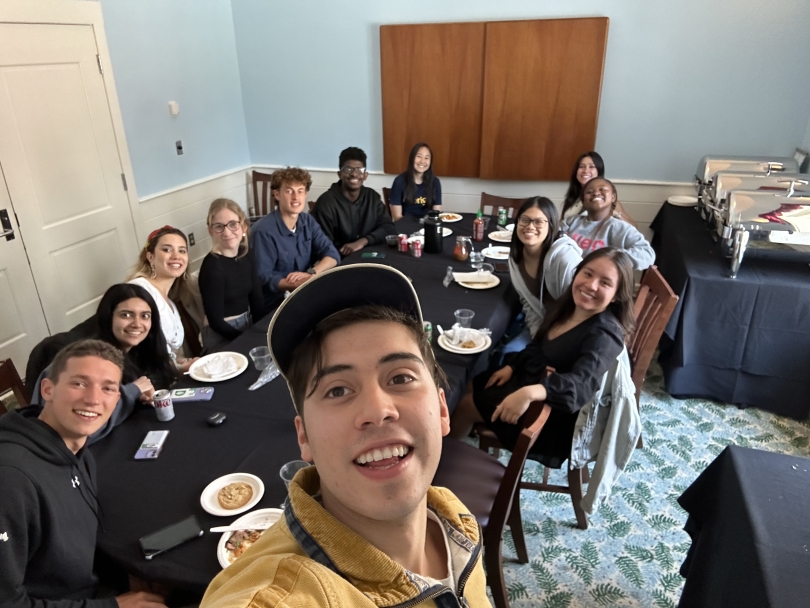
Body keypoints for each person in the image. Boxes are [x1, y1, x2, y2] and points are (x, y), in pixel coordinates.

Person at [201, 265, 489, 608]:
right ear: (303, 436)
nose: (376, 410)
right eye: (337, 390)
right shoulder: (277, 598)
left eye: (400, 378)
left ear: (442, 410)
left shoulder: (456, 519)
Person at [0, 340, 167, 608]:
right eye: (78, 383)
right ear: (47, 389)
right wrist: (114, 606)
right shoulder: (11, 480)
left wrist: (126, 576)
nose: (93, 399)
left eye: (108, 388)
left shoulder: (77, 450)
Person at [450, 249, 636, 471]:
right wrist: (512, 365)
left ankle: (442, 466)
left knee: (465, 404)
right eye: (587, 274)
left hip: (553, 416)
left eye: (605, 283)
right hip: (533, 379)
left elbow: (580, 387)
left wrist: (530, 392)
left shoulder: (604, 335)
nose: (591, 285)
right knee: (470, 383)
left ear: (616, 295)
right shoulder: (569, 306)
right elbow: (539, 344)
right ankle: (461, 440)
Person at [29, 283, 176, 445]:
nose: (137, 323)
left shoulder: (135, 349)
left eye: (145, 316)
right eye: (126, 315)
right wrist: (132, 391)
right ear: (108, 317)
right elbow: (78, 430)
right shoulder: (90, 360)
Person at [499, 196, 582, 357]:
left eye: (538, 222)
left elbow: (577, 308)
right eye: (525, 220)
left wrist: (548, 345)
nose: (530, 226)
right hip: (543, 326)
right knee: (507, 354)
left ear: (551, 226)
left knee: (520, 360)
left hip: (572, 332)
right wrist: (537, 338)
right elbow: (528, 303)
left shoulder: (564, 258)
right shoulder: (516, 257)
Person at [250, 167, 339, 310]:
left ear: (306, 194)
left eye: (300, 191)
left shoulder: (308, 221)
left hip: (301, 292)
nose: (295, 197)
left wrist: (311, 274)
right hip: (273, 303)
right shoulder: (263, 231)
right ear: (277, 194)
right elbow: (263, 277)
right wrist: (294, 284)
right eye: (289, 191)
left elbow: (332, 254)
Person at [199, 199, 268, 350]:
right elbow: (216, 322)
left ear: (243, 225)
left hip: (246, 323)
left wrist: (262, 333)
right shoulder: (212, 267)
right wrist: (247, 340)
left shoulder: (246, 253)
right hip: (221, 333)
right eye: (219, 227)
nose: (227, 232)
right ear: (211, 231)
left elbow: (257, 301)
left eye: (232, 224)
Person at [127, 226, 198, 372]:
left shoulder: (170, 302)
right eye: (167, 249)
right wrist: (179, 368)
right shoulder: (139, 291)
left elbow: (170, 354)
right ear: (150, 257)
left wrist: (185, 362)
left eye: (182, 251)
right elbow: (137, 353)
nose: (176, 256)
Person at [311, 147, 396, 257]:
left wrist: (362, 242)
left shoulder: (372, 197)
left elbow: (389, 228)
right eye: (348, 169)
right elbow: (322, 245)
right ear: (339, 174)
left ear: (365, 175)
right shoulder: (326, 203)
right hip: (339, 262)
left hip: (369, 255)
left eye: (359, 170)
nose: (354, 174)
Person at [564, 177, 656, 271]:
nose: (596, 193)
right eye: (589, 192)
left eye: (602, 189)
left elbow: (647, 254)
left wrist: (611, 258)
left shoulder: (621, 228)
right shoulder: (570, 222)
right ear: (583, 201)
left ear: (613, 197)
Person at [560, 151, 636, 227]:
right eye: (581, 166)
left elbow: (633, 226)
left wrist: (613, 213)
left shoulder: (606, 198)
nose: (586, 170)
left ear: (599, 171)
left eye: (591, 167)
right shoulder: (573, 196)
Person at [389, 142, 442, 220]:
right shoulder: (399, 181)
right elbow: (397, 217)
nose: (422, 161)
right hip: (406, 226)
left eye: (426, 158)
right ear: (412, 158)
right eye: (419, 156)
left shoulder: (435, 182)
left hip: (427, 226)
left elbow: (436, 213)